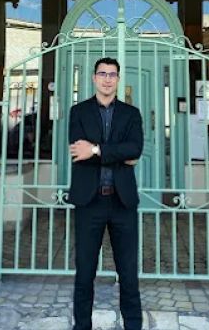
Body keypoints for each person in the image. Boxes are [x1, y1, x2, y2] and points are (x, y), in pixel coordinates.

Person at [68, 57, 143, 330]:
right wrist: (118, 154)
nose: (107, 79)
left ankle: (133, 325)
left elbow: (135, 149)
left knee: (128, 273)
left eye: (112, 74)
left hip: (123, 202)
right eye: (102, 74)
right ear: (94, 78)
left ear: (118, 79)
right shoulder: (78, 112)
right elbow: (79, 152)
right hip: (90, 202)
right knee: (85, 272)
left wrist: (96, 149)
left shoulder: (131, 114)